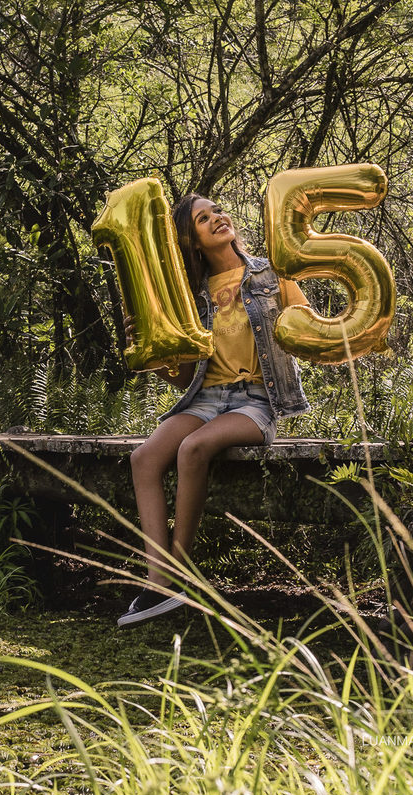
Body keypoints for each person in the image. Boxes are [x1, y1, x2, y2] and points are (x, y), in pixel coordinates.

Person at [117, 193, 311, 628]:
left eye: (218, 211)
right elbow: (186, 378)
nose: (218, 218)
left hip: (256, 400)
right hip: (205, 398)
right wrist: (150, 347)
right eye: (204, 220)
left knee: (192, 449)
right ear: (194, 241)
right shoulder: (190, 296)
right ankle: (157, 579)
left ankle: (178, 575)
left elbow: (306, 328)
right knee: (144, 458)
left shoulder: (271, 273)